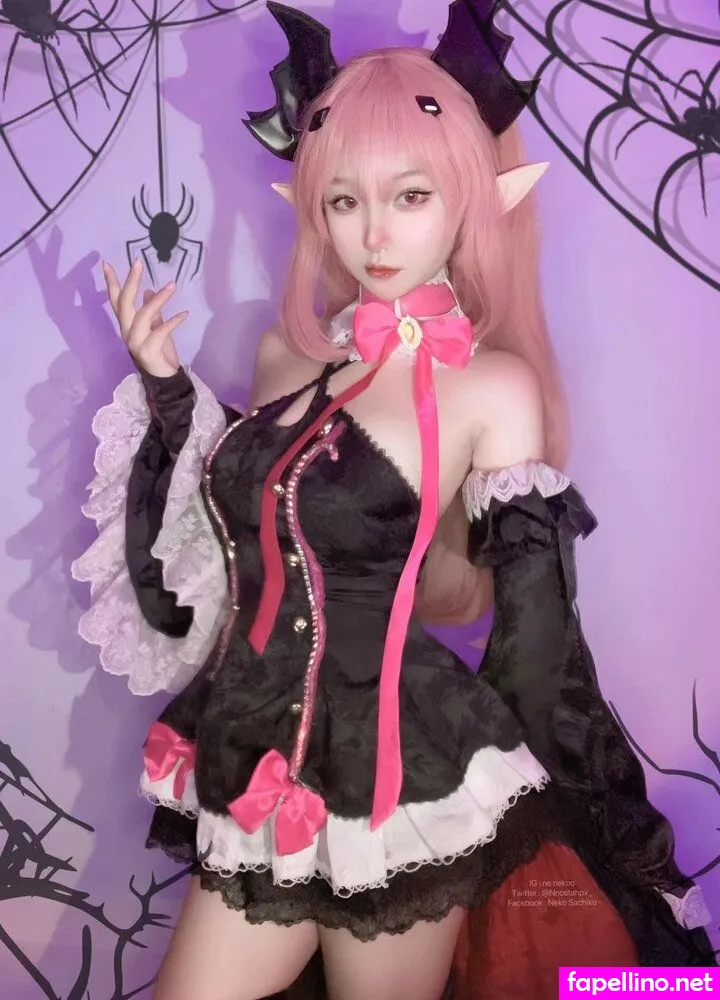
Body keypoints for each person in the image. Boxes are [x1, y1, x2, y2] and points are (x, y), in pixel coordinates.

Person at [72, 3, 716, 998]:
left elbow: (537, 634)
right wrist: (164, 385)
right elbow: (246, 527)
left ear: (466, 198)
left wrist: (601, 816)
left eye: (410, 195)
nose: (374, 233)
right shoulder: (286, 357)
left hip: (404, 785)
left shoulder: (493, 388)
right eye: (344, 200)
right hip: (257, 762)